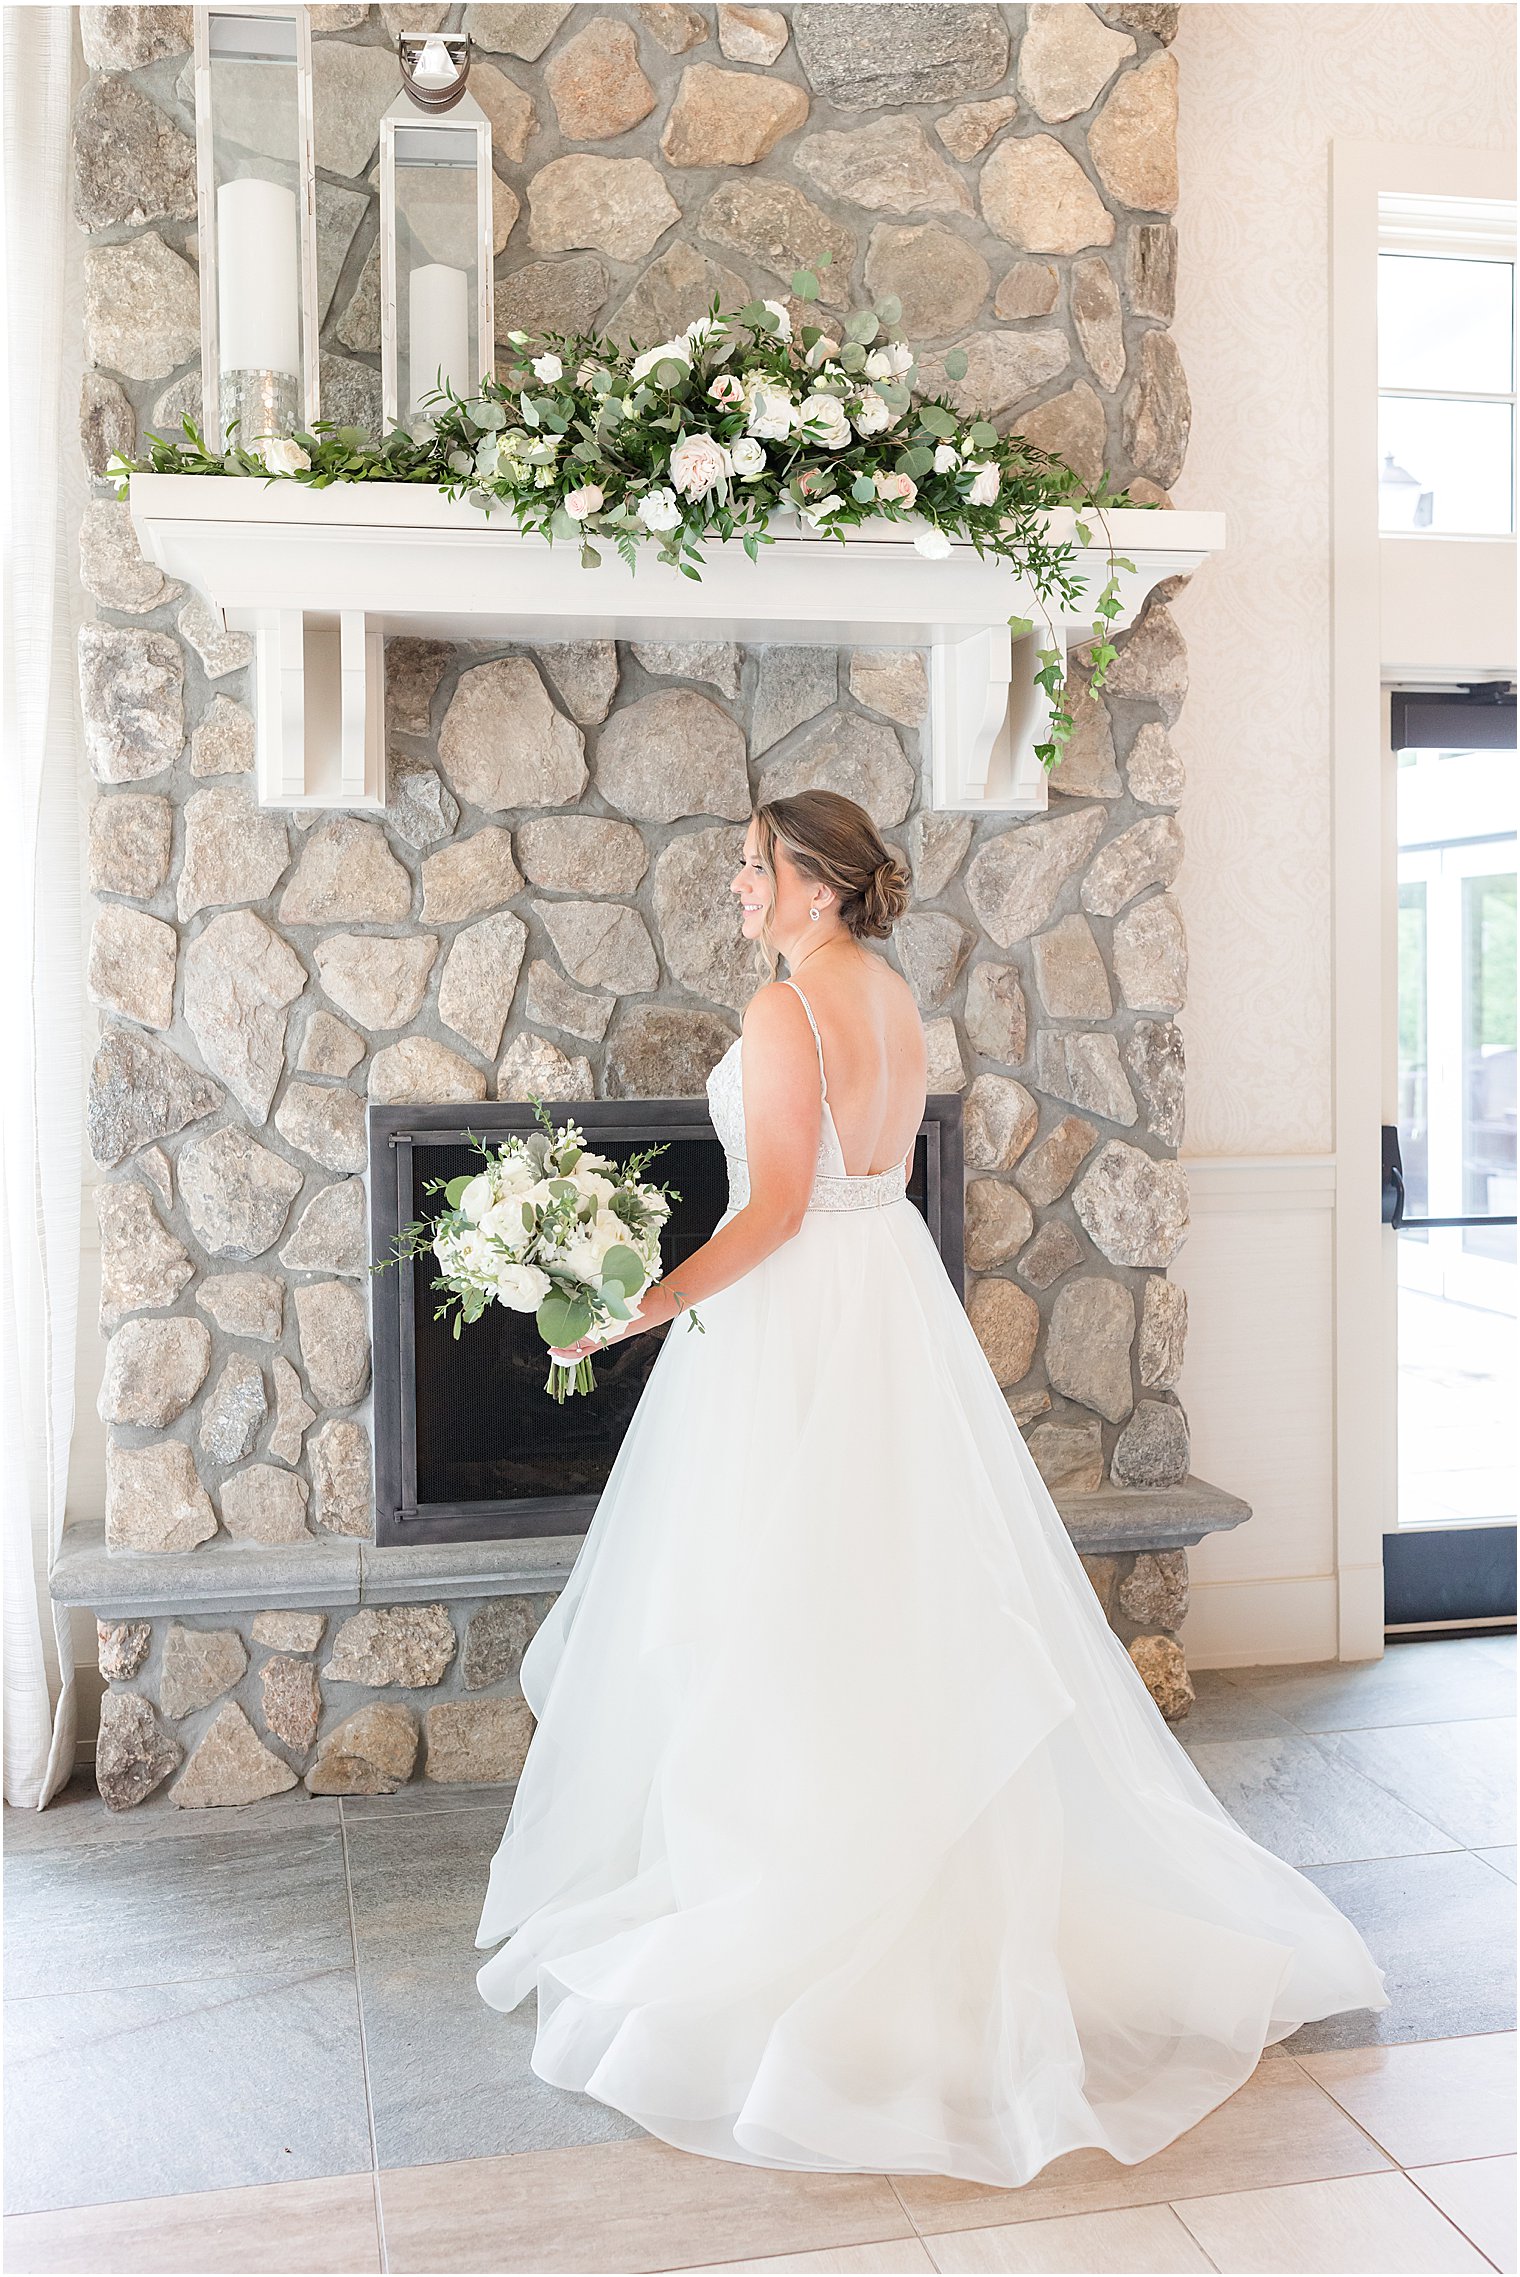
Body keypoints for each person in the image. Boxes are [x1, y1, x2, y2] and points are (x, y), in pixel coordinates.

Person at [474, 787, 1390, 2186]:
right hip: (885, 1302)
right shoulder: (888, 992)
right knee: (891, 1608)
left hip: (803, 1320)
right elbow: (855, 1184)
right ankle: (912, 1875)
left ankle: (815, 1901)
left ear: (816, 883)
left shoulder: (790, 1010)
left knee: (781, 1613)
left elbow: (774, 1208)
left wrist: (631, 1307)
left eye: (751, 867)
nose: (734, 886)